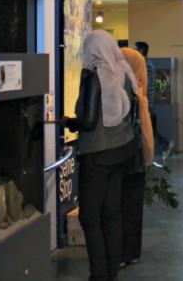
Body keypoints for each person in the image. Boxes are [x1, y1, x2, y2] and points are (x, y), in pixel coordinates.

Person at [59, 31, 139, 281]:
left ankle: (99, 274)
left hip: (98, 154)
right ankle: (111, 272)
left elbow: (90, 120)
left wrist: (69, 122)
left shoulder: (94, 76)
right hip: (123, 150)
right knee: (112, 213)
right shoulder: (124, 72)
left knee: (89, 216)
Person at [119, 46, 155, 268]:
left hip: (125, 157)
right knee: (133, 206)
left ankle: (122, 252)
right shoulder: (139, 92)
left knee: (121, 205)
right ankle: (131, 251)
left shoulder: (125, 92)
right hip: (139, 156)